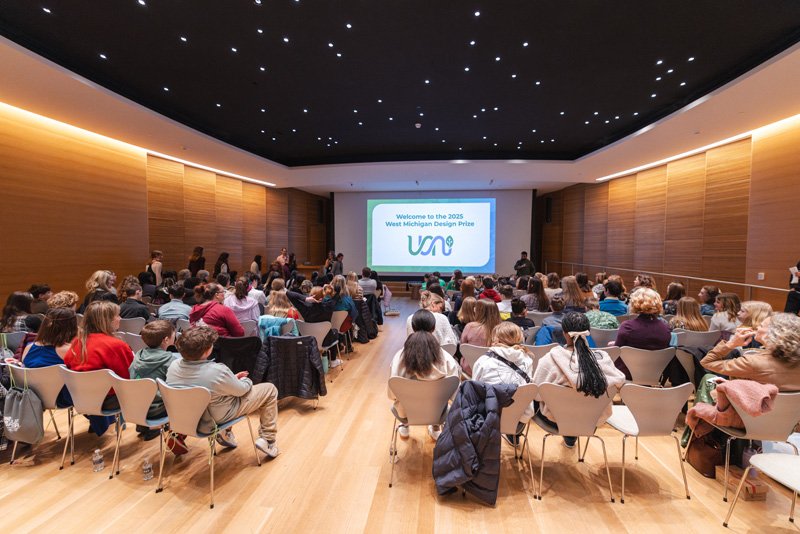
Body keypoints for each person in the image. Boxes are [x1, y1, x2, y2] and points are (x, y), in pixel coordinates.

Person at [168, 326, 279, 458]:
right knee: (270, 389)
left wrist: (230, 379)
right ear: (208, 350)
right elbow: (241, 391)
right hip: (215, 419)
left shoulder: (173, 366)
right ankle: (268, 440)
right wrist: (245, 380)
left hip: (188, 419)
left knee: (220, 392)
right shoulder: (217, 371)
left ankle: (226, 434)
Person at [533, 312, 626, 448]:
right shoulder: (603, 359)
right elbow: (619, 382)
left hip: (555, 420)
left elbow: (536, 394)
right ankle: (571, 438)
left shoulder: (550, 359)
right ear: (588, 332)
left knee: (532, 394)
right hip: (590, 420)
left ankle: (514, 436)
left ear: (564, 333)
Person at [389, 309, 459, 441]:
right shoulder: (447, 358)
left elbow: (392, 394)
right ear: (434, 328)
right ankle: (436, 427)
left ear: (413, 328)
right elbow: (454, 394)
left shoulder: (399, 357)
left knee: (403, 398)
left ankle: (404, 425)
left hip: (406, 412)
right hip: (437, 413)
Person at [64, 301, 135, 411]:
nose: (120, 318)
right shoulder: (116, 345)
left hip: (81, 398)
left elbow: (67, 366)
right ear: (108, 321)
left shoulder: (77, 342)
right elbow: (129, 378)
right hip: (109, 401)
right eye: (117, 316)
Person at [472, 322, 535, 444]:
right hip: (517, 421)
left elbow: (474, 392)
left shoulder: (484, 361)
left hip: (485, 419)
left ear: (496, 339)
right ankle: (513, 437)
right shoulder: (528, 361)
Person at [700, 313, 800, 390]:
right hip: (794, 415)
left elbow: (707, 362)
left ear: (773, 334)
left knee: (708, 379)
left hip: (752, 415)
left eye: (761, 326)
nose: (757, 327)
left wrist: (731, 344)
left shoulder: (751, 362)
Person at [13, 307, 77, 409]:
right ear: (72, 326)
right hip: (62, 400)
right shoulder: (69, 350)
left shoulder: (28, 347)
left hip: (33, 398)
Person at [128, 320, 179, 442]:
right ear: (166, 340)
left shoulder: (138, 355)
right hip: (157, 411)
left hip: (135, 408)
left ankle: (145, 424)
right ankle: (156, 427)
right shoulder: (170, 361)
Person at [613, 288, 671, 379]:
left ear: (634, 304)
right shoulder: (666, 327)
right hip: (654, 373)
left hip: (628, 373)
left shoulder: (627, 326)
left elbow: (616, 351)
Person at [460, 299, 502, 374]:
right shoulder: (502, 330)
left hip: (470, 368)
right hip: (493, 371)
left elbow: (462, 347)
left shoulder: (470, 327)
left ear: (479, 311)